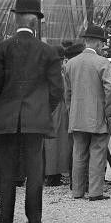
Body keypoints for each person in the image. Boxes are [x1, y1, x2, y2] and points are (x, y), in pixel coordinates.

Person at [0, 0, 64, 223]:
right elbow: (57, 90)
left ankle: (6, 221)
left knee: (7, 171)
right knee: (34, 171)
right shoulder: (48, 52)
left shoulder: (1, 49)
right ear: (35, 22)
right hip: (36, 119)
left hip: (6, 118)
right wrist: (43, 109)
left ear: (16, 19)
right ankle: (35, 220)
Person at [64, 25, 111, 201]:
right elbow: (110, 90)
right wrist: (110, 115)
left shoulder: (70, 63)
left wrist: (72, 111)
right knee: (97, 153)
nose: (103, 47)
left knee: (78, 153)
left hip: (77, 116)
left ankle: (77, 191)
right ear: (98, 43)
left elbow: (67, 93)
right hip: (98, 116)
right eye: (103, 44)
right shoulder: (102, 62)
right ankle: (95, 192)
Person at [44, 45, 71, 187]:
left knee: (47, 143)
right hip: (58, 108)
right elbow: (65, 93)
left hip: (45, 109)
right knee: (57, 142)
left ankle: (47, 173)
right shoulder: (59, 75)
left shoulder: (44, 72)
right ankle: (53, 175)